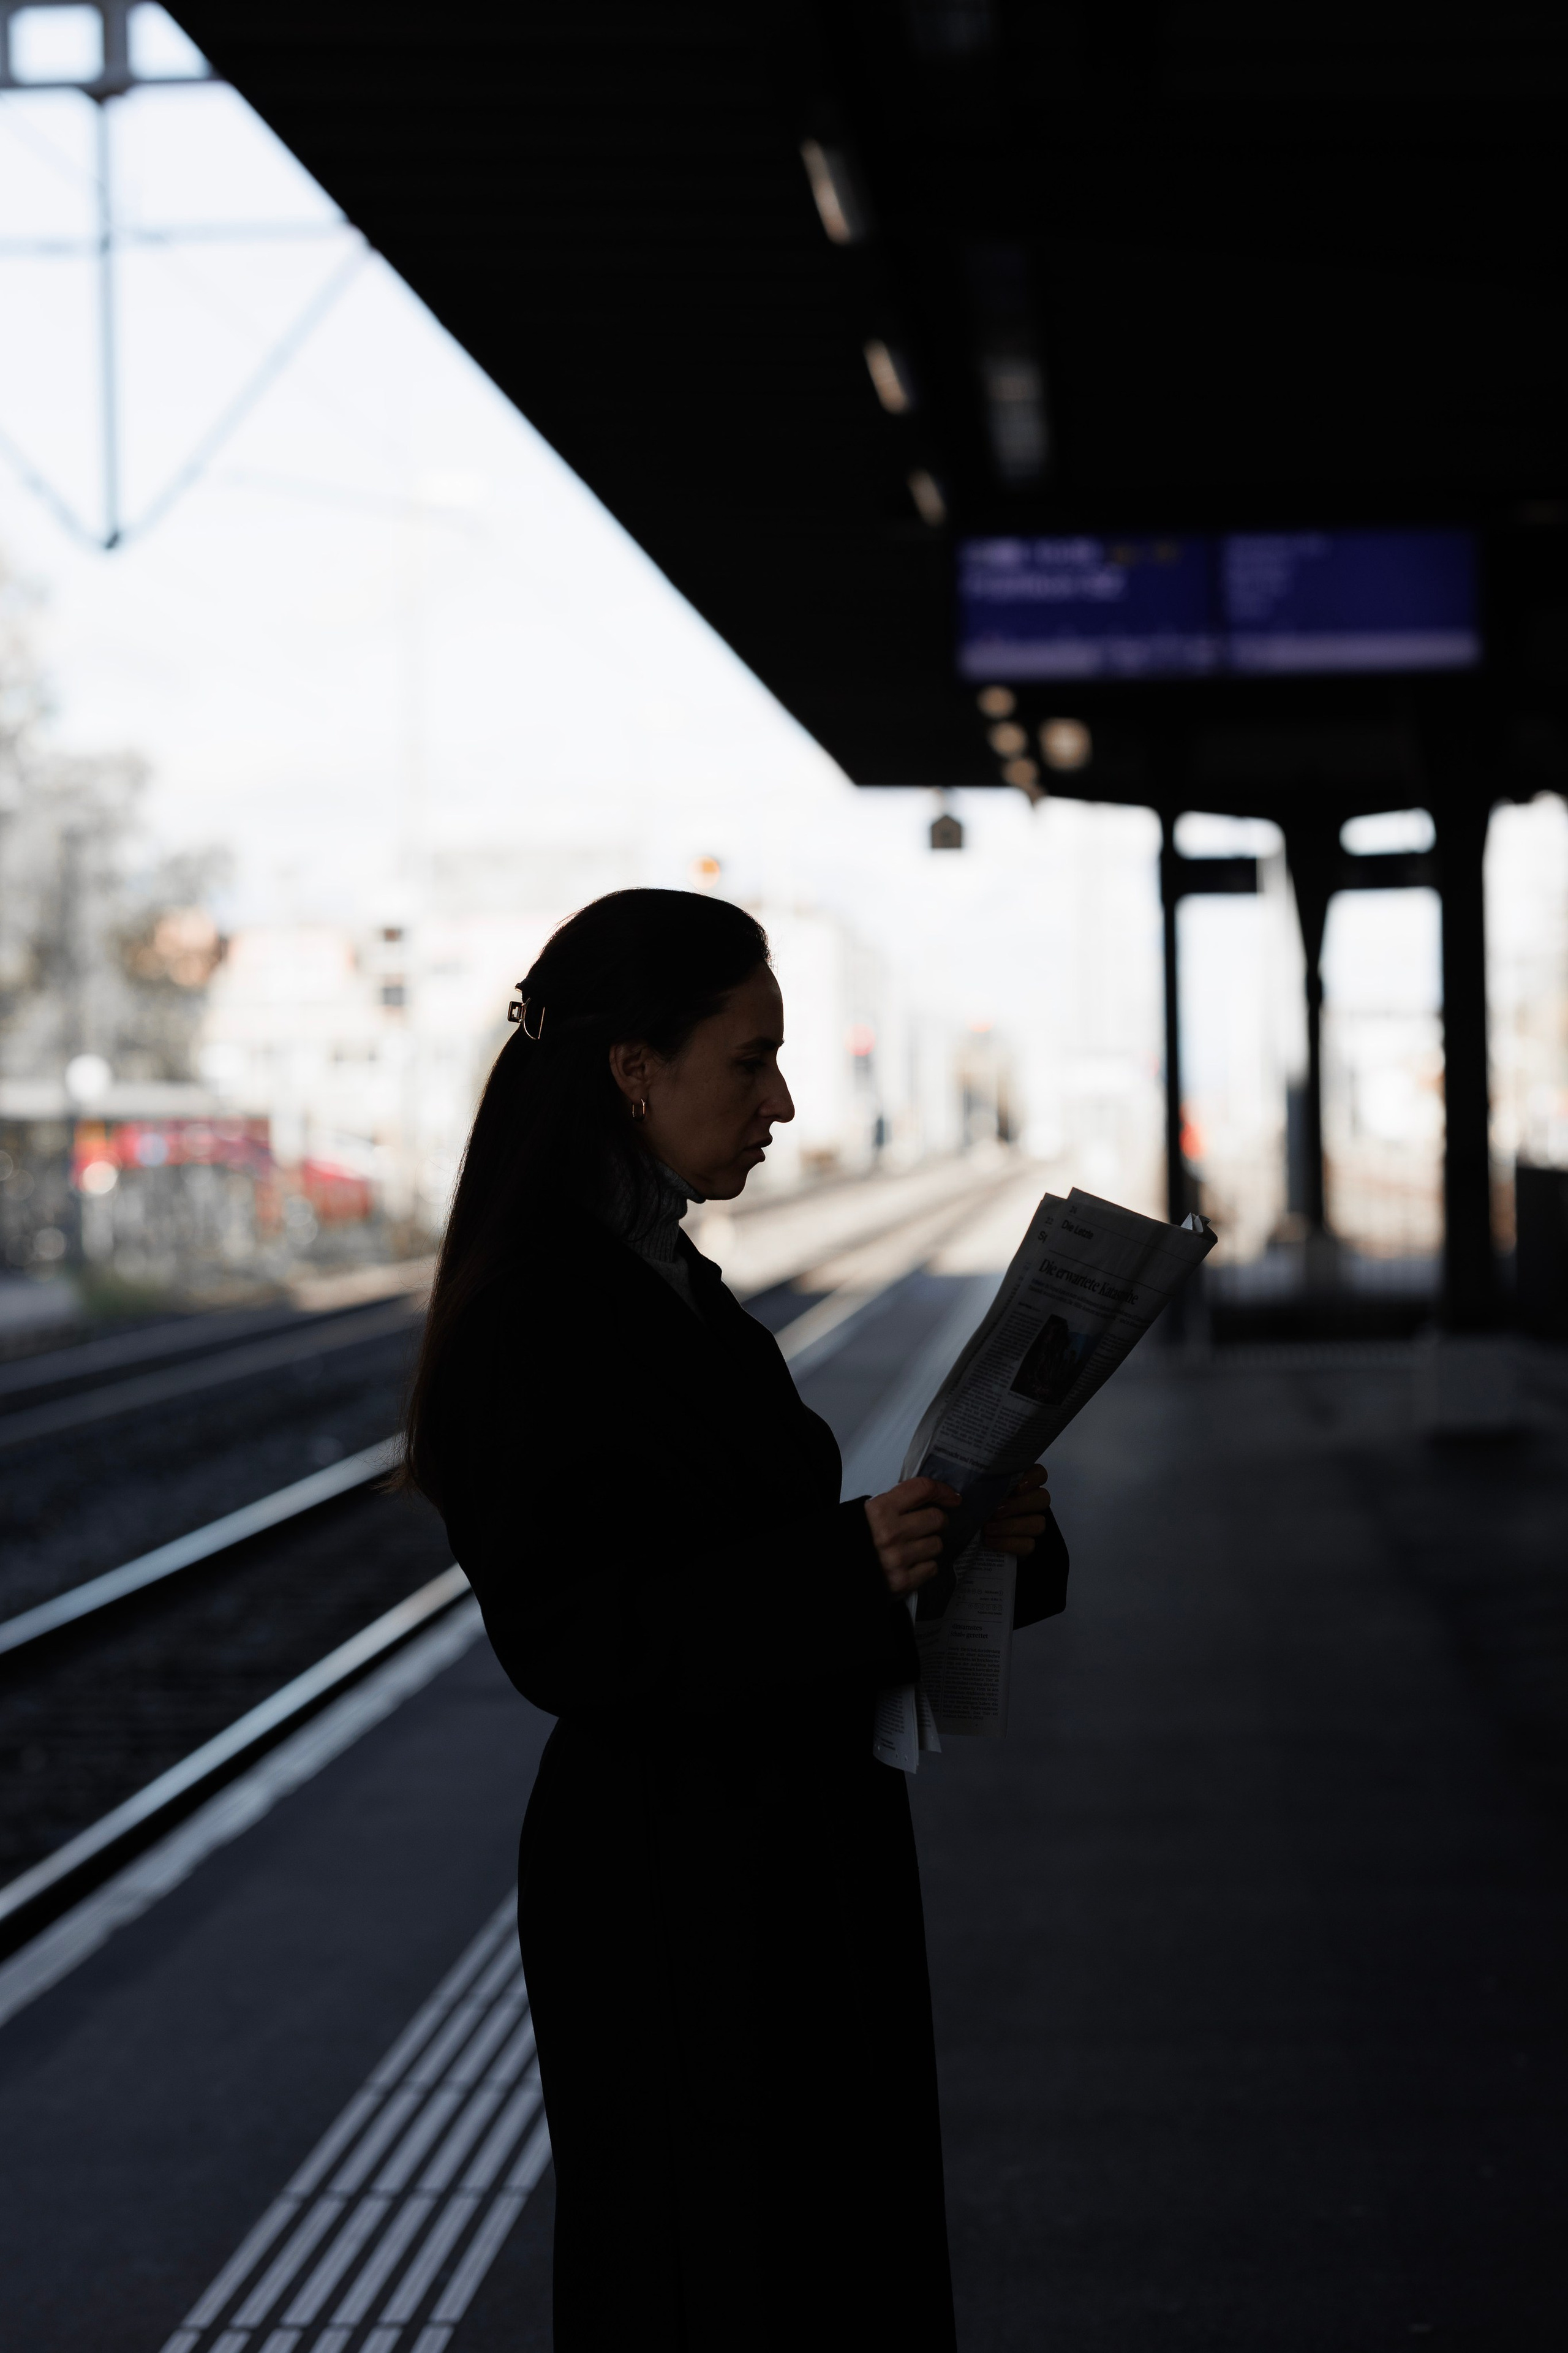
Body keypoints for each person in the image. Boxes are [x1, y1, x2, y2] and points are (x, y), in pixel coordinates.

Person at [403, 888, 1068, 2352]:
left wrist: (970, 1546)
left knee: (807, 2254)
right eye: (749, 1058)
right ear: (634, 1070)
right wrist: (845, 1568)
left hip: (770, 1861)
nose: (782, 1099)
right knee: (718, 2272)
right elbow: (571, 1633)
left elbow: (737, 1560)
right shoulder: (539, 1312)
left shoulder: (658, 1278)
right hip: (671, 1893)